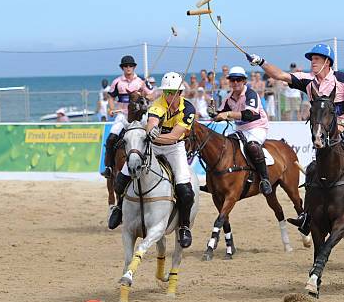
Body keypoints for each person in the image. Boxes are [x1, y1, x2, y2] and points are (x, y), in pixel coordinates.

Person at [245, 44, 344, 232]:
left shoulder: (341, 79)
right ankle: (307, 217)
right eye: (312, 59)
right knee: (313, 170)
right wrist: (261, 62)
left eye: (317, 59)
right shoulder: (308, 81)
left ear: (327, 62)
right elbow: (280, 75)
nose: (312, 62)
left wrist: (342, 122)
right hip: (327, 135)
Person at [109, 72, 196, 248]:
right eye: (167, 92)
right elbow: (151, 122)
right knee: (121, 180)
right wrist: (152, 129)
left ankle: (184, 227)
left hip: (174, 148)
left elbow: (174, 136)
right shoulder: (158, 104)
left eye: (173, 92)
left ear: (180, 92)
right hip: (153, 147)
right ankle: (119, 208)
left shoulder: (188, 109)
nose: (169, 95)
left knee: (186, 192)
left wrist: (154, 136)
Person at [211, 66, 272, 195]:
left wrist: (227, 114)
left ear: (244, 81)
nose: (236, 82)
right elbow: (220, 114)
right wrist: (212, 113)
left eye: (239, 79)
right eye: (233, 80)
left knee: (253, 147)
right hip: (240, 130)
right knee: (224, 146)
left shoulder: (251, 94)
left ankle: (265, 179)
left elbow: (249, 114)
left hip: (257, 127)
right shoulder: (229, 98)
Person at [101, 55, 153, 179]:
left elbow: (152, 95)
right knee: (111, 138)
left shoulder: (141, 82)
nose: (128, 68)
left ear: (134, 67)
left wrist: (142, 97)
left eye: (130, 66)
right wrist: (111, 108)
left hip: (139, 117)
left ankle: (153, 162)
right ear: (122, 68)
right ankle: (108, 167)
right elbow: (111, 97)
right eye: (125, 66)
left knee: (151, 135)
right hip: (123, 116)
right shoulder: (117, 82)